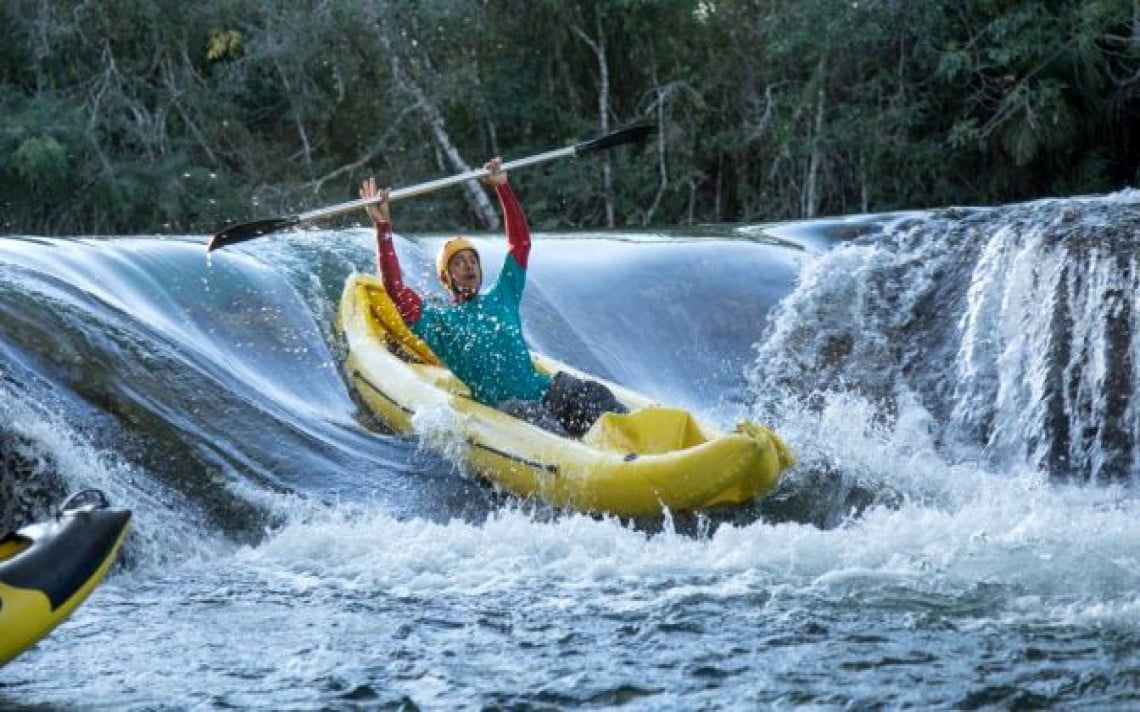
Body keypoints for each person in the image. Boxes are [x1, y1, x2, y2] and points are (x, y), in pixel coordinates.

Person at [360, 158, 626, 437]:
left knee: (592, 394)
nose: (469, 266)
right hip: (508, 410)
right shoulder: (438, 323)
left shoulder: (502, 295)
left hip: (544, 391)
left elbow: (520, 244)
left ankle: (634, 438)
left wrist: (502, 187)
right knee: (537, 420)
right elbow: (395, 288)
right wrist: (383, 228)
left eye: (472, 260)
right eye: (458, 263)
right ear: (446, 278)